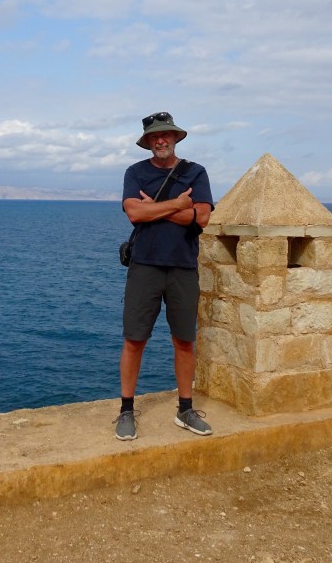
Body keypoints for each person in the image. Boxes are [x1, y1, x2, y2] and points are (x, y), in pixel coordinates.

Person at [114, 111, 215, 441]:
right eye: (155, 136)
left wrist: (155, 209)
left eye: (166, 134)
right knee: (134, 340)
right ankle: (126, 411)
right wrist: (178, 205)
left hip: (183, 267)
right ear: (147, 142)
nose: (161, 140)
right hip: (144, 266)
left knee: (184, 340)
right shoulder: (135, 173)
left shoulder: (195, 172)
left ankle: (185, 409)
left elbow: (202, 218)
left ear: (174, 137)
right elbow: (134, 212)